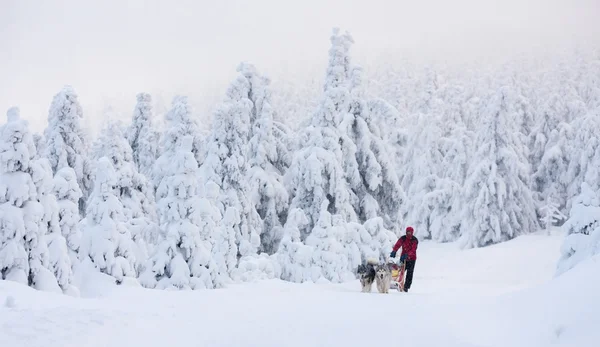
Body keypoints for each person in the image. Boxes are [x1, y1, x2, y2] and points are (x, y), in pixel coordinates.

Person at [389, 226, 418, 292]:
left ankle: (406, 287)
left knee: (409, 273)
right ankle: (398, 283)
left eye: (410, 232)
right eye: (407, 232)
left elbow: (413, 250)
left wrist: (407, 255)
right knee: (399, 271)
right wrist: (394, 251)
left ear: (412, 233)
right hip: (403, 258)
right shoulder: (403, 238)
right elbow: (398, 244)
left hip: (412, 259)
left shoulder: (414, 240)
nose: (409, 233)